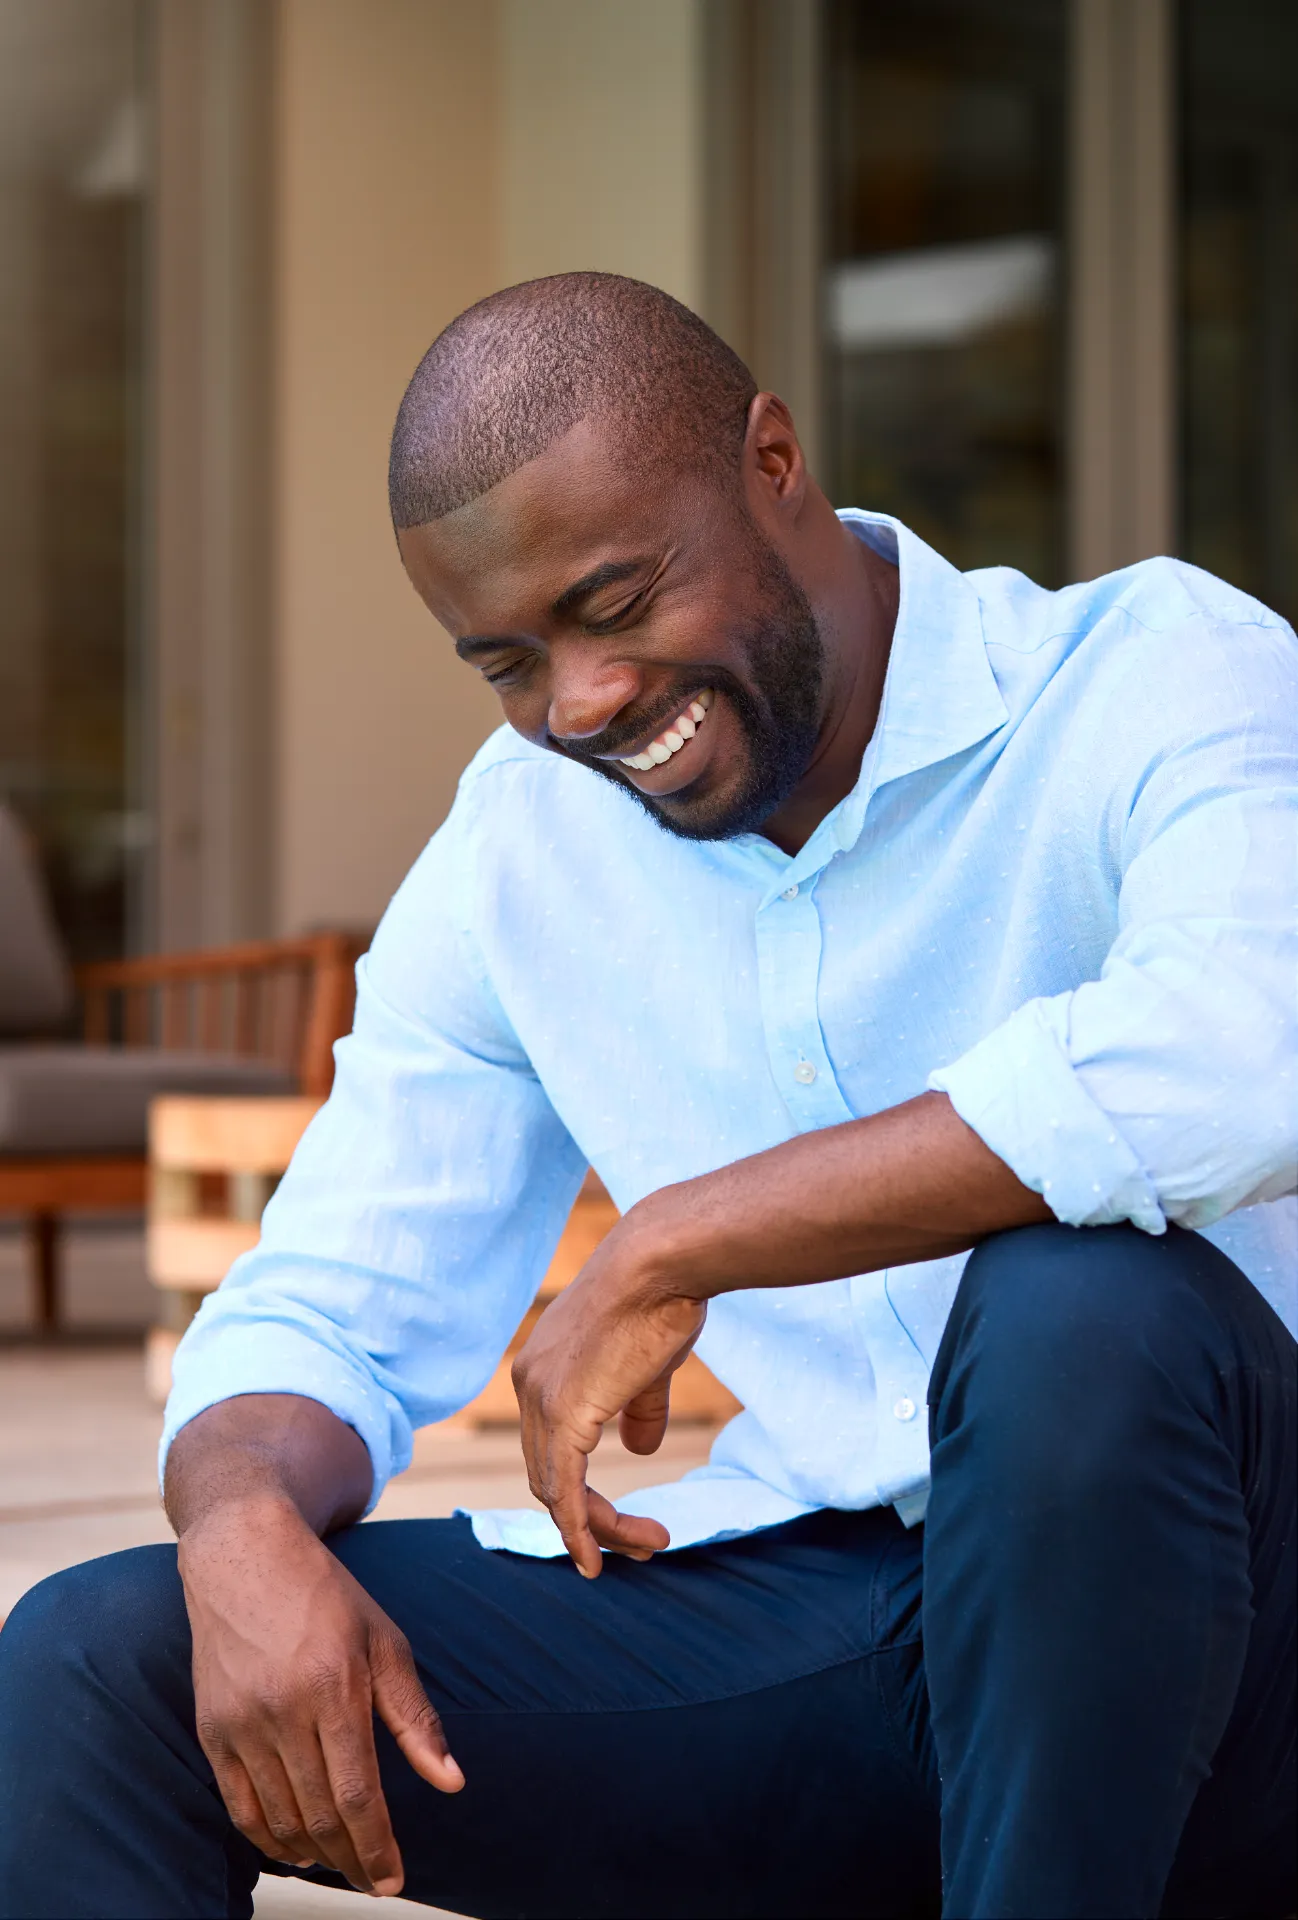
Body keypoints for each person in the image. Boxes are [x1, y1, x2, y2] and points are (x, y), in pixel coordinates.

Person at [1, 273, 1294, 1920]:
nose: (580, 702)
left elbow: (1246, 1046)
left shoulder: (1151, 671)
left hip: (1237, 1637)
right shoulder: (516, 855)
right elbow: (330, 1300)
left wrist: (686, 1240)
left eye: (614, 602)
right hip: (844, 1626)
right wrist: (240, 1522)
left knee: (1081, 1301)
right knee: (100, 1662)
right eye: (505, 661)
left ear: (773, 464)